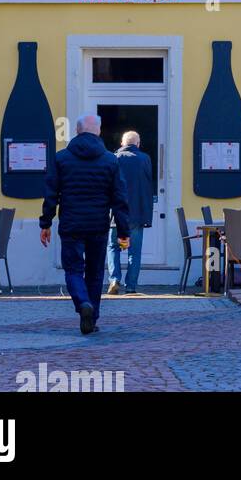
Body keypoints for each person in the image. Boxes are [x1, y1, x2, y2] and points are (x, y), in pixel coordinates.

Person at [40, 114, 130, 335]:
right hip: (98, 225)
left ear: (77, 131)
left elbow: (51, 194)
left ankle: (83, 304)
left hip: (71, 224)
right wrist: (123, 232)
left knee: (73, 270)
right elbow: (120, 199)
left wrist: (46, 222)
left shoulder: (61, 159)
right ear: (98, 131)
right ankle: (93, 316)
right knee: (95, 272)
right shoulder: (110, 160)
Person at [107, 130, 154, 295]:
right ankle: (131, 286)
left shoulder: (114, 158)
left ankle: (114, 279)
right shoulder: (145, 159)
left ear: (122, 144)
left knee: (114, 247)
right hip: (136, 213)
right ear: (138, 144)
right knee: (134, 251)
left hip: (117, 213)